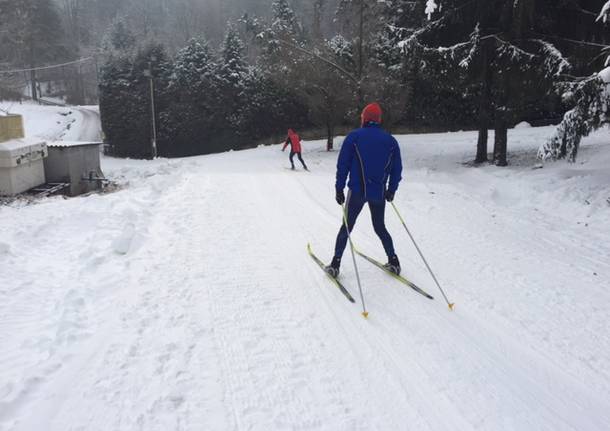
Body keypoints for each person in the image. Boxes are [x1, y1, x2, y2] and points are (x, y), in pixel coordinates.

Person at [326, 102, 402, 278]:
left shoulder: (354, 137)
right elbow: (396, 169)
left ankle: (335, 264)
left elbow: (342, 165)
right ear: (379, 120)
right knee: (380, 227)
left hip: (357, 192)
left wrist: (339, 188)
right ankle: (394, 260)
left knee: (346, 227)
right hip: (378, 193)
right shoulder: (390, 141)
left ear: (364, 118)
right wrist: (391, 190)